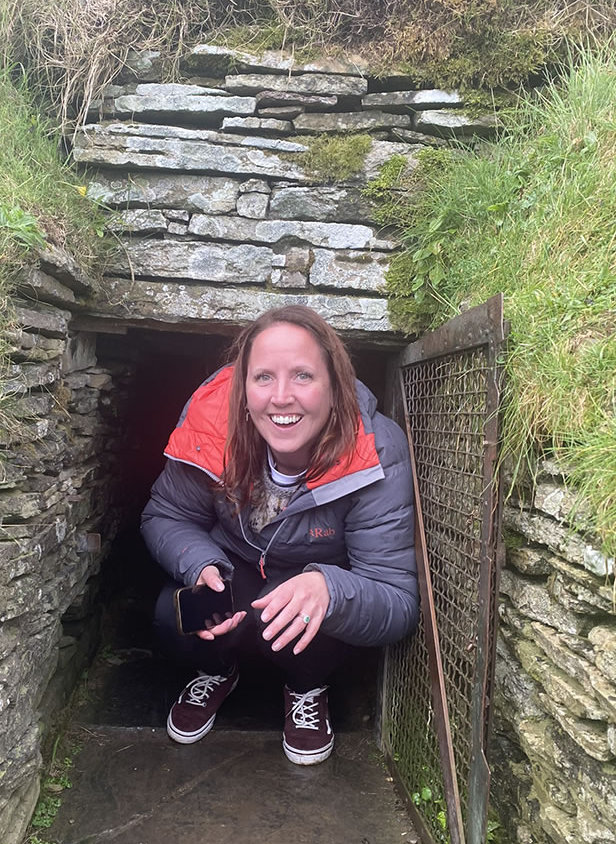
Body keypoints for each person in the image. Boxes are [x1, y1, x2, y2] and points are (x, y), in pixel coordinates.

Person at [141, 305, 419, 765]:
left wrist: (330, 589)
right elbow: (165, 515)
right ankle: (217, 671)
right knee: (176, 615)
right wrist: (202, 565)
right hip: (235, 565)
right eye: (263, 377)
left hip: (311, 577)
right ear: (243, 389)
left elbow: (397, 600)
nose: (281, 397)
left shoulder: (375, 451)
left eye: (303, 376)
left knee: (312, 620)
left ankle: (306, 686)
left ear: (335, 384)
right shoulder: (214, 428)